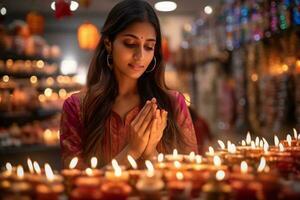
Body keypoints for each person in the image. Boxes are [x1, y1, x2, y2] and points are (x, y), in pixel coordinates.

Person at [60, 0, 198, 169]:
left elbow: (189, 176)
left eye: (148, 47)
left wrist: (149, 153)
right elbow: (76, 185)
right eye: (130, 44)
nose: (140, 56)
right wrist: (131, 150)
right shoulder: (78, 107)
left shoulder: (173, 104)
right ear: (109, 43)